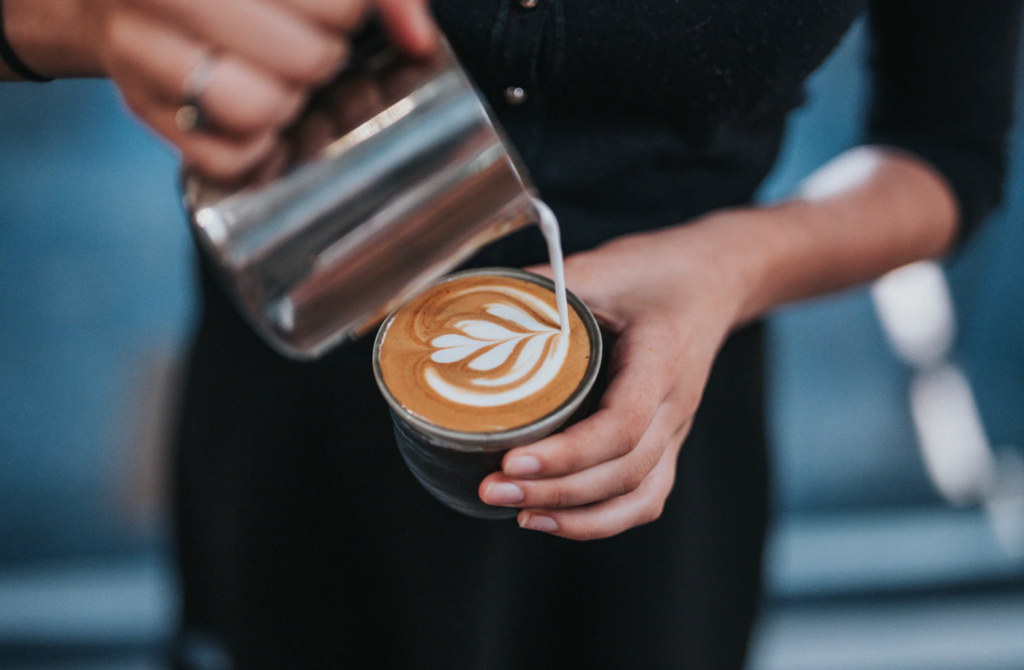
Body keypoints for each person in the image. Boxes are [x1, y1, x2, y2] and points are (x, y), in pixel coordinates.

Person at [3, 0, 1021, 667]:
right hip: (303, 335)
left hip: (662, 394)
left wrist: (729, 266)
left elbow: (949, 153)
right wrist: (82, 21)